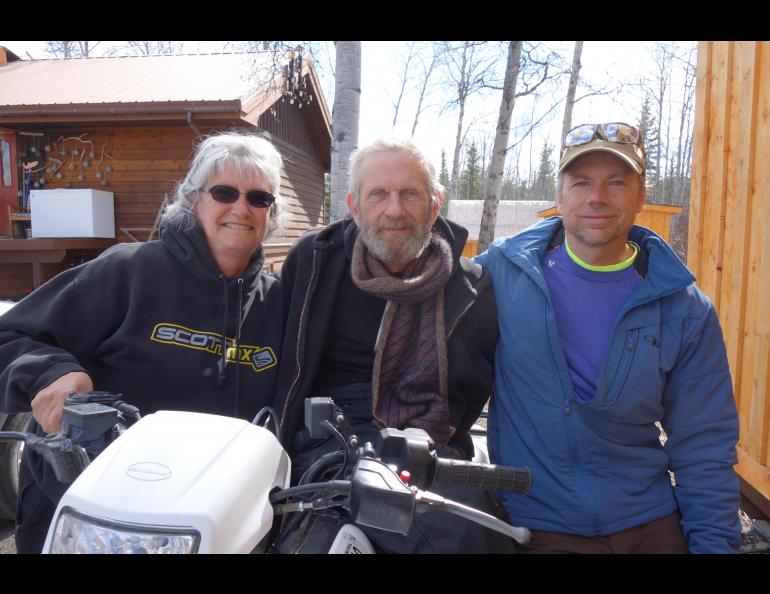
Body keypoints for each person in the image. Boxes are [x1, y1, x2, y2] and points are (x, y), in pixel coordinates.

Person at [0, 131, 286, 553]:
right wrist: (54, 374)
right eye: (224, 192)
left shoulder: (278, 303)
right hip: (93, 517)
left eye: (258, 198)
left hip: (213, 522)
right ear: (194, 199)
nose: (241, 208)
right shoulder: (127, 271)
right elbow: (12, 333)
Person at [475, 121, 741, 554]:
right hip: (538, 525)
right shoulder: (502, 274)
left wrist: (715, 546)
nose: (597, 197)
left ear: (641, 196)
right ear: (558, 197)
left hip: (648, 524)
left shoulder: (683, 308)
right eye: (581, 183)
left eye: (616, 182)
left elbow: (704, 444)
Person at [273, 137, 516, 554]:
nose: (395, 210)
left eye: (410, 194)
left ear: (435, 205)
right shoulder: (314, 260)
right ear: (353, 205)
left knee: (468, 531)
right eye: (378, 194)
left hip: (427, 439)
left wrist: (433, 433)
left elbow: (473, 384)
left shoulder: (470, 285)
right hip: (326, 435)